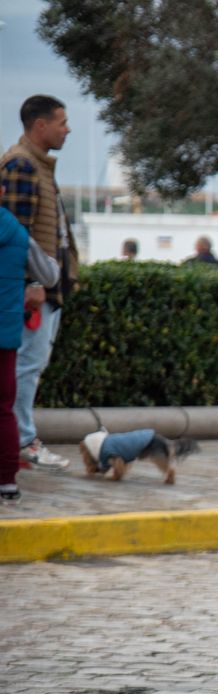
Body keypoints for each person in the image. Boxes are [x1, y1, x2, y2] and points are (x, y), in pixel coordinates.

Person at [1, 95, 78, 473]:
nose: (68, 129)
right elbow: (16, 233)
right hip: (33, 293)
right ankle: (23, 441)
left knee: (31, 365)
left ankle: (21, 439)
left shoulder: (35, 166)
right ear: (40, 125)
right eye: (62, 122)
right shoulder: (21, 166)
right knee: (25, 367)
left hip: (42, 289)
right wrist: (32, 283)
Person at [1, 180, 60, 503]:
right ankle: (7, 480)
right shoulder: (18, 234)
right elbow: (49, 277)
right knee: (4, 409)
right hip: (6, 337)